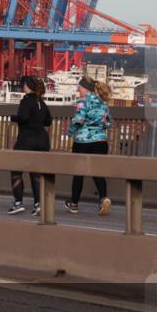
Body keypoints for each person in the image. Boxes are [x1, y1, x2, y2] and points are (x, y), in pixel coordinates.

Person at [65, 77, 112, 216]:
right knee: (97, 172)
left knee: (78, 174)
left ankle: (74, 204)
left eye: (79, 87)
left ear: (85, 88)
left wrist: (69, 132)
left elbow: (79, 120)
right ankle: (103, 199)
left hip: (83, 142)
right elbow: (108, 123)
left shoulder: (82, 102)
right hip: (101, 142)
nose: (77, 89)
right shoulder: (103, 103)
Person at [8, 76, 53, 216]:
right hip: (42, 141)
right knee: (36, 173)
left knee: (16, 170)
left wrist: (13, 118)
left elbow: (24, 117)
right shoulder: (41, 102)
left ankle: (18, 203)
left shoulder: (26, 100)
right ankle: (38, 204)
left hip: (26, 140)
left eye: (22, 85)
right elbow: (48, 121)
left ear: (26, 86)